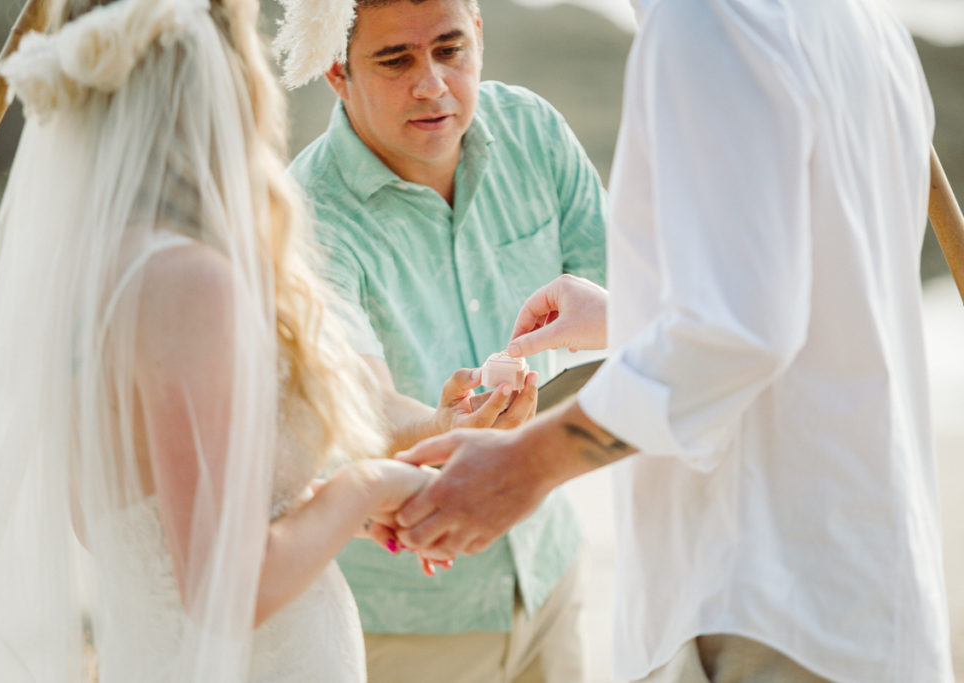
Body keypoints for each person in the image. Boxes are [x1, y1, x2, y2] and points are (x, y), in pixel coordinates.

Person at [394, 0, 956, 681]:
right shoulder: (862, 22)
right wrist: (635, 318)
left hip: (762, 600)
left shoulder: (709, 20)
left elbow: (734, 336)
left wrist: (521, 467)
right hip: (866, 593)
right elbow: (811, 294)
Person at [0, 0, 440, 680]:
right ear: (217, 77)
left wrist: (319, 510)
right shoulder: (189, 283)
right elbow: (222, 589)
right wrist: (366, 482)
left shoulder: (92, 270)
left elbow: (118, 519)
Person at [272, 0, 607, 679]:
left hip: (549, 570)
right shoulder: (303, 215)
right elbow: (356, 399)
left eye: (449, 50)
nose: (431, 84)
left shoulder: (534, 131)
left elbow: (623, 290)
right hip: (408, 620)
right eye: (396, 60)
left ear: (477, 34)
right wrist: (442, 425)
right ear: (336, 72)